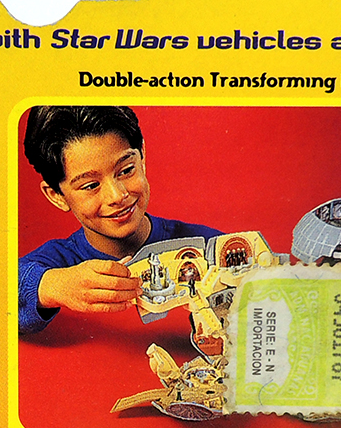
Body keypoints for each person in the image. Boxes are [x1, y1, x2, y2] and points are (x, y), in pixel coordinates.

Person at [18, 106, 222, 335]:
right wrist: (49, 286)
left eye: (126, 170)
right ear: (56, 196)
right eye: (91, 186)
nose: (117, 195)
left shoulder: (208, 244)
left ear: (142, 156)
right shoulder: (57, 263)